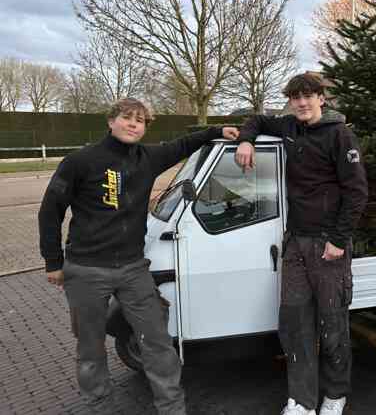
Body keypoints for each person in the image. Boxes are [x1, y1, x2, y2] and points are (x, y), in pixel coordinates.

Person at [38, 98, 239, 415]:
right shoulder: (79, 161)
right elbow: (50, 212)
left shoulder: (148, 157)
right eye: (127, 118)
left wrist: (217, 130)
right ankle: (100, 405)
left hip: (133, 268)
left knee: (158, 342)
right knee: (90, 348)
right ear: (111, 121)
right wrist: (53, 262)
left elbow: (185, 143)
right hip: (86, 270)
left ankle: (172, 408)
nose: (133, 124)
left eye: (140, 121)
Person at [235, 73, 368, 415]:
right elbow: (258, 120)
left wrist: (338, 240)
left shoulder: (340, 135)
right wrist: (247, 140)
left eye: (308, 96)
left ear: (321, 98)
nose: (301, 103)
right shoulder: (290, 128)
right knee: (295, 323)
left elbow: (357, 192)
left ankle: (335, 395)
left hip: (328, 245)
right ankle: (302, 401)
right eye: (295, 97)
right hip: (295, 243)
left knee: (332, 323)